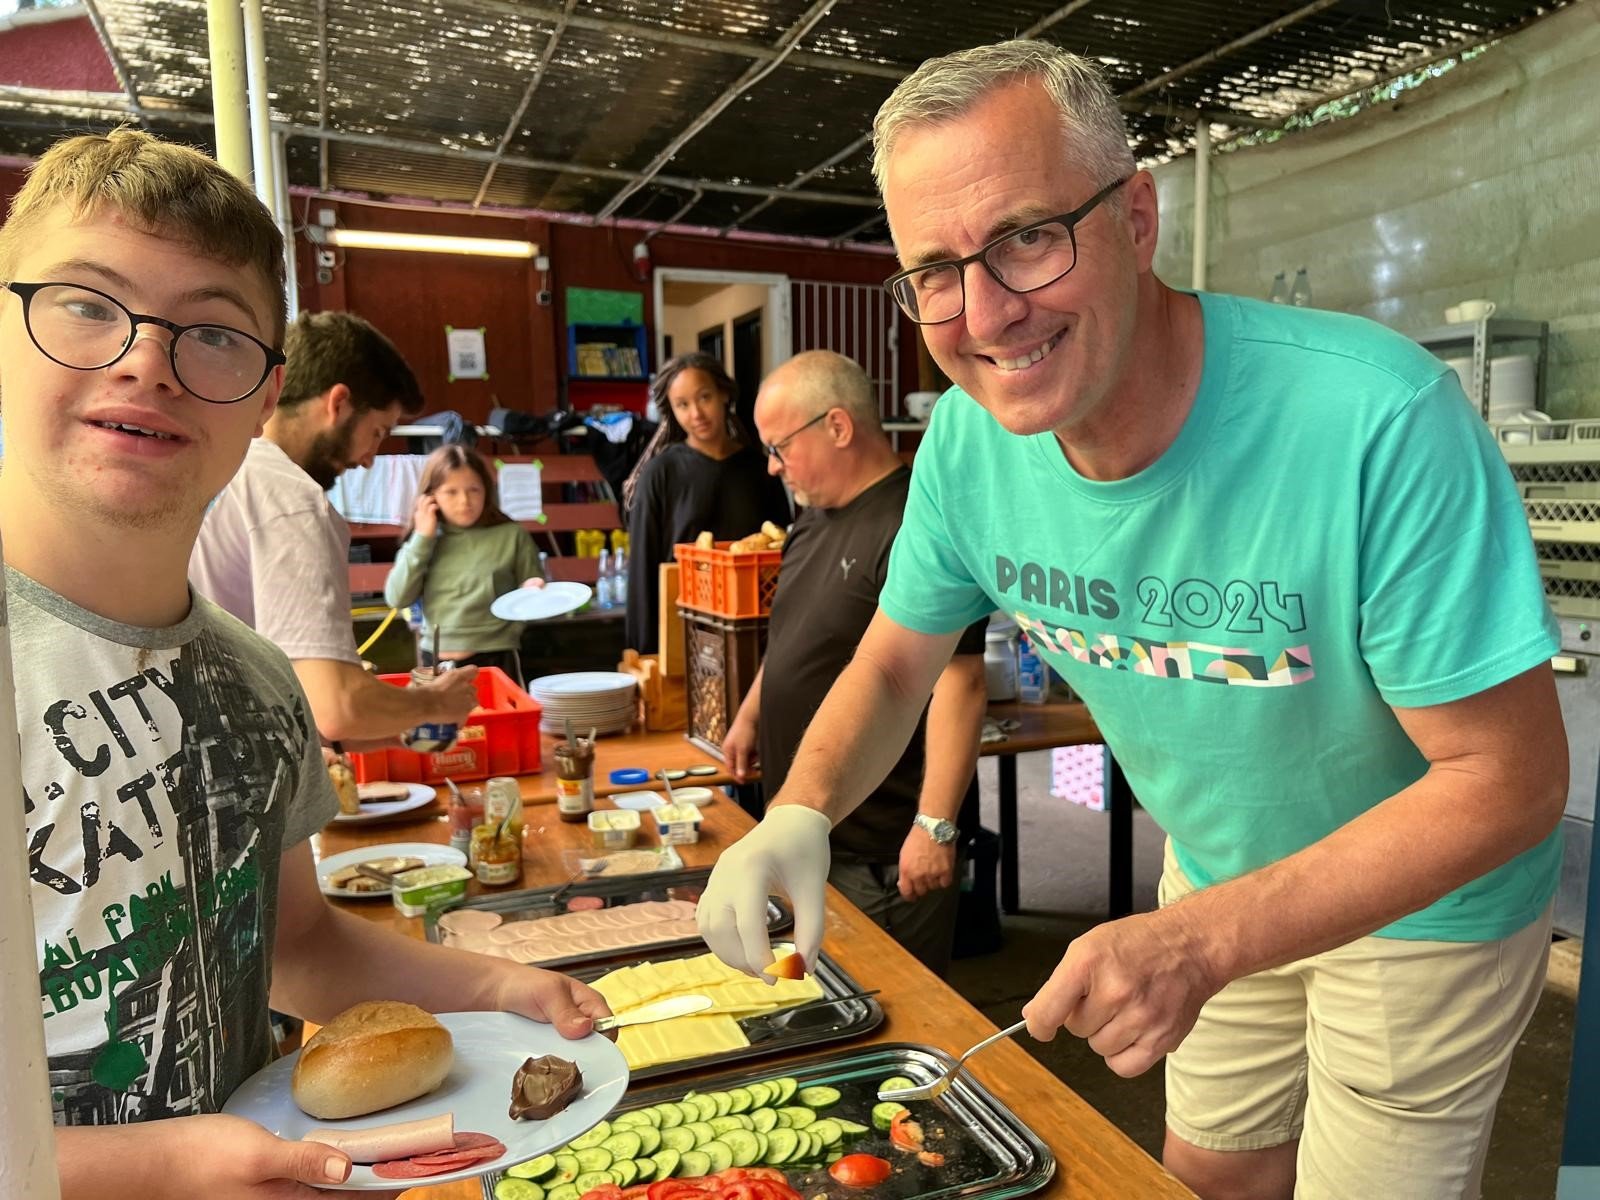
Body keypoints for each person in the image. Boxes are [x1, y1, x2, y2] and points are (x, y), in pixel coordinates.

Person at [695, 40, 1565, 1200]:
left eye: (1026, 239)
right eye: (937, 270)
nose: (987, 314)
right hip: (1216, 870)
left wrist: (1202, 941)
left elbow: (1505, 782)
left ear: (1138, 217)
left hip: (1424, 900)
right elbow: (897, 662)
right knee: (1207, 1178)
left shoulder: (1374, 419)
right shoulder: (966, 444)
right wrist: (796, 810)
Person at [0, 128, 607, 1199]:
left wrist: (496, 984)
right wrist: (166, 1166)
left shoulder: (256, 679)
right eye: (88, 305)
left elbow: (296, 947)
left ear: (263, 391)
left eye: (213, 333)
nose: (146, 358)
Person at [721, 350, 989, 976]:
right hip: (815, 831)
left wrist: (936, 826)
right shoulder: (811, 522)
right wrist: (751, 716)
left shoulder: (911, 525)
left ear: (838, 427)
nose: (772, 466)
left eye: (780, 446)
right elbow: (793, 640)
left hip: (884, 849)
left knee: (897, 1012)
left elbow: (961, 681)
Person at [191, 309, 481, 744]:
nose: (368, 458)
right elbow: (338, 708)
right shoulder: (291, 499)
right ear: (338, 403)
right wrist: (436, 703)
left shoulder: (224, 466)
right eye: (378, 432)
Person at [622, 352, 791, 653]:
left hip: (753, 630)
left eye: (704, 397)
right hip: (681, 628)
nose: (696, 414)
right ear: (671, 411)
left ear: (724, 394)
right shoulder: (660, 473)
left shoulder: (760, 469)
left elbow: (783, 552)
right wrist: (644, 652)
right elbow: (644, 570)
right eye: (682, 405)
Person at [383, 443, 544, 686]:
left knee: (497, 724)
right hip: (435, 661)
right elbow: (397, 598)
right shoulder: (424, 539)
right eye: (451, 492)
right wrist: (422, 537)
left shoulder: (511, 535)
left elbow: (530, 585)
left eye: (474, 490)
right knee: (441, 726)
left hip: (497, 655)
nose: (465, 501)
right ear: (431, 496)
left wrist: (533, 588)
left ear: (487, 491)